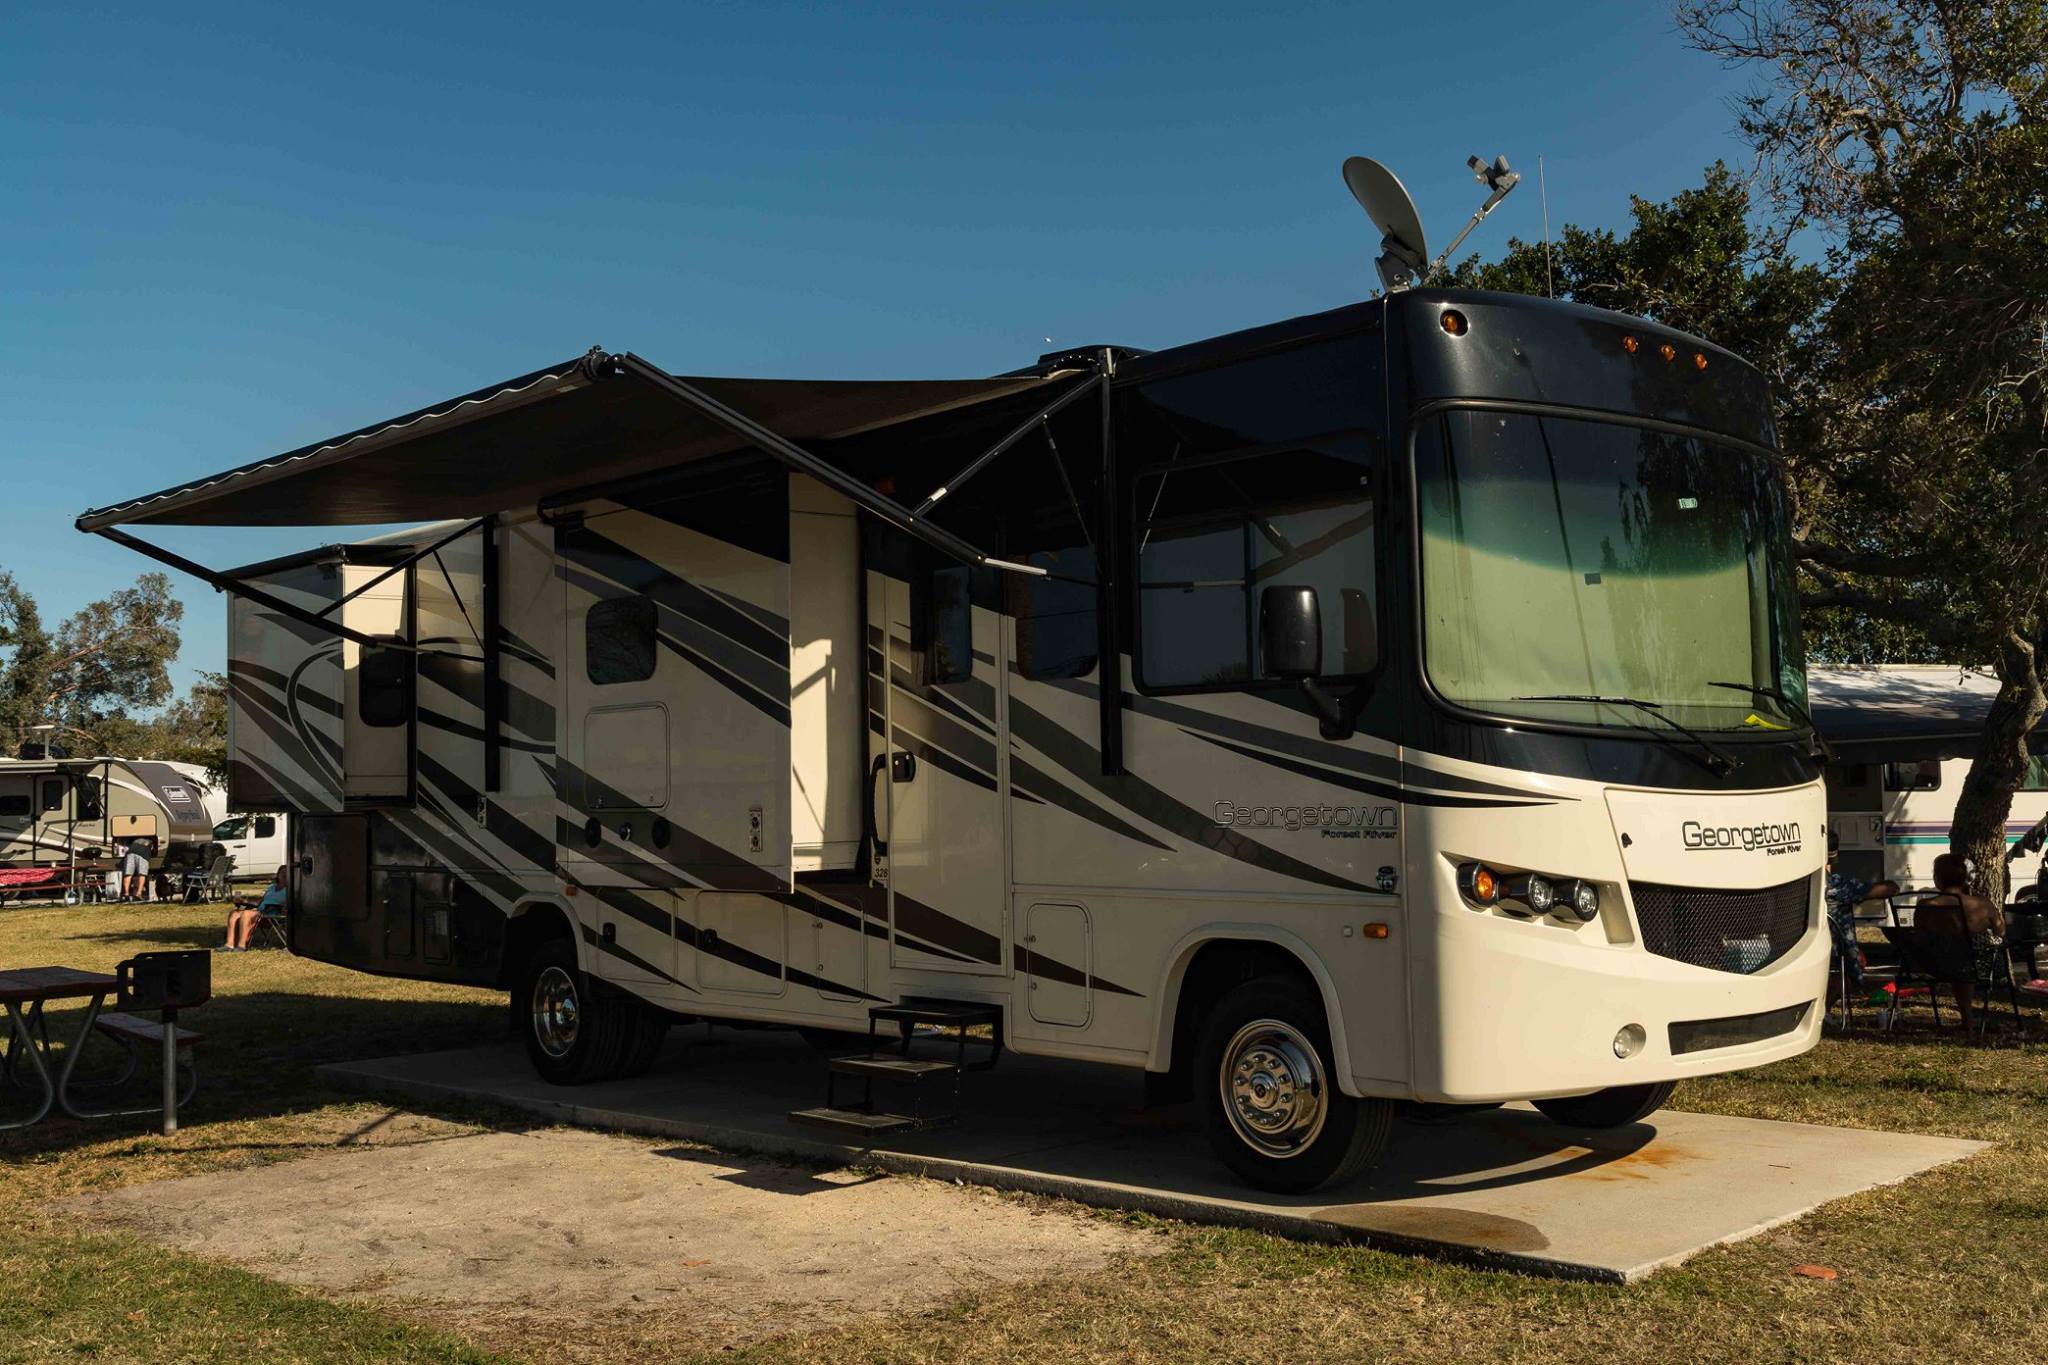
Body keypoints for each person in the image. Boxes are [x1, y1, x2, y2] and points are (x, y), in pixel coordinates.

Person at [1912, 851, 2006, 1032]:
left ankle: (1967, 1020)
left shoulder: (1925, 906)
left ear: (1937, 878)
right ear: (1965, 878)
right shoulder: (1982, 904)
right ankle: (1968, 1021)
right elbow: (2001, 931)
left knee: (1957, 954)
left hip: (1935, 965)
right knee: (1964, 955)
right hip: (1981, 965)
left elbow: (1920, 936)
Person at [1824, 831, 1897, 998]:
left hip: (1810, 949)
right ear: (1835, 856)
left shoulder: (1805, 883)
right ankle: (1828, 1006)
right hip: (1836, 953)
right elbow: (1887, 890)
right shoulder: (1839, 885)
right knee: (1854, 958)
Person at [225, 866, 288, 951]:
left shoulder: (290, 889)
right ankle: (229, 944)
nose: (284, 874)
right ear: (278, 875)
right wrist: (244, 901)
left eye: (286, 873)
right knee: (234, 913)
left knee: (246, 913)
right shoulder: (271, 887)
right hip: (261, 913)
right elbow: (260, 902)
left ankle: (241, 946)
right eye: (282, 873)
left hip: (273, 915)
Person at [120, 836, 150, 903]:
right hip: (143, 853)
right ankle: (138, 893)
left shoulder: (135, 840)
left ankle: (126, 893)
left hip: (131, 852)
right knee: (142, 874)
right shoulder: (150, 840)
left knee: (128, 873)